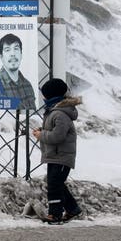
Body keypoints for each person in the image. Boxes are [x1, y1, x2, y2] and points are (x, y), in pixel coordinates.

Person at [33, 78, 82, 224]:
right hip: (55, 155)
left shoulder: (59, 113)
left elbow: (57, 136)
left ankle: (55, 214)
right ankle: (72, 209)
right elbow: (54, 131)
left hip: (62, 155)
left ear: (50, 95)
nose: (42, 97)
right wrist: (42, 131)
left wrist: (41, 135)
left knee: (54, 184)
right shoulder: (54, 111)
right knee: (56, 183)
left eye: (44, 94)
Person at [0, 33, 36, 112]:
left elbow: (33, 115)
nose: (13, 54)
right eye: (7, 50)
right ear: (1, 56)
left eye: (16, 49)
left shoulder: (28, 85)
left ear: (21, 54)